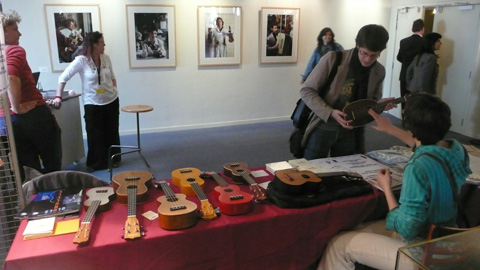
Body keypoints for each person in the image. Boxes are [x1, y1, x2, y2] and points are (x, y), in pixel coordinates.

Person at [317, 93, 471, 270]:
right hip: (450, 242)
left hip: (423, 255)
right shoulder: (457, 149)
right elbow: (428, 145)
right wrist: (390, 129)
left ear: (411, 130)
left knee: (338, 244)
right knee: (358, 229)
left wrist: (386, 189)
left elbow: (407, 229)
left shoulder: (417, 168)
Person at [300, 24, 393, 160]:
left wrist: (379, 105)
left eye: (373, 56)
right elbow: (307, 90)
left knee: (345, 175)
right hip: (323, 127)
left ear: (381, 51)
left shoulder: (378, 71)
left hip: (352, 131)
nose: (367, 60)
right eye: (364, 53)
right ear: (357, 46)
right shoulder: (333, 59)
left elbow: (369, 105)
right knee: (312, 171)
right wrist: (330, 112)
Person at [0, 10, 62, 181]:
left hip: (7, 121)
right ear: (3, 30)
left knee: (27, 170)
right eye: (15, 29)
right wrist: (17, 106)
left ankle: (36, 203)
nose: (19, 33)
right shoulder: (13, 50)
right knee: (52, 163)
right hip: (31, 116)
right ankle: (57, 200)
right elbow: (11, 77)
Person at [54, 31, 120, 172]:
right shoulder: (81, 60)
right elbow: (62, 78)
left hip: (111, 100)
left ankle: (113, 159)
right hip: (92, 103)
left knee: (112, 131)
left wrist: (114, 90)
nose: (104, 45)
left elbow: (112, 77)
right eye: (102, 42)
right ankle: (96, 163)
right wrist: (58, 97)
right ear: (94, 45)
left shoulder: (106, 58)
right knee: (94, 133)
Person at [396, 19, 424, 106]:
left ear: (412, 29)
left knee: (404, 100)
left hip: (404, 75)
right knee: (416, 103)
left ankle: (404, 118)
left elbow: (399, 57)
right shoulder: (425, 42)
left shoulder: (403, 41)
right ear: (423, 29)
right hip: (418, 77)